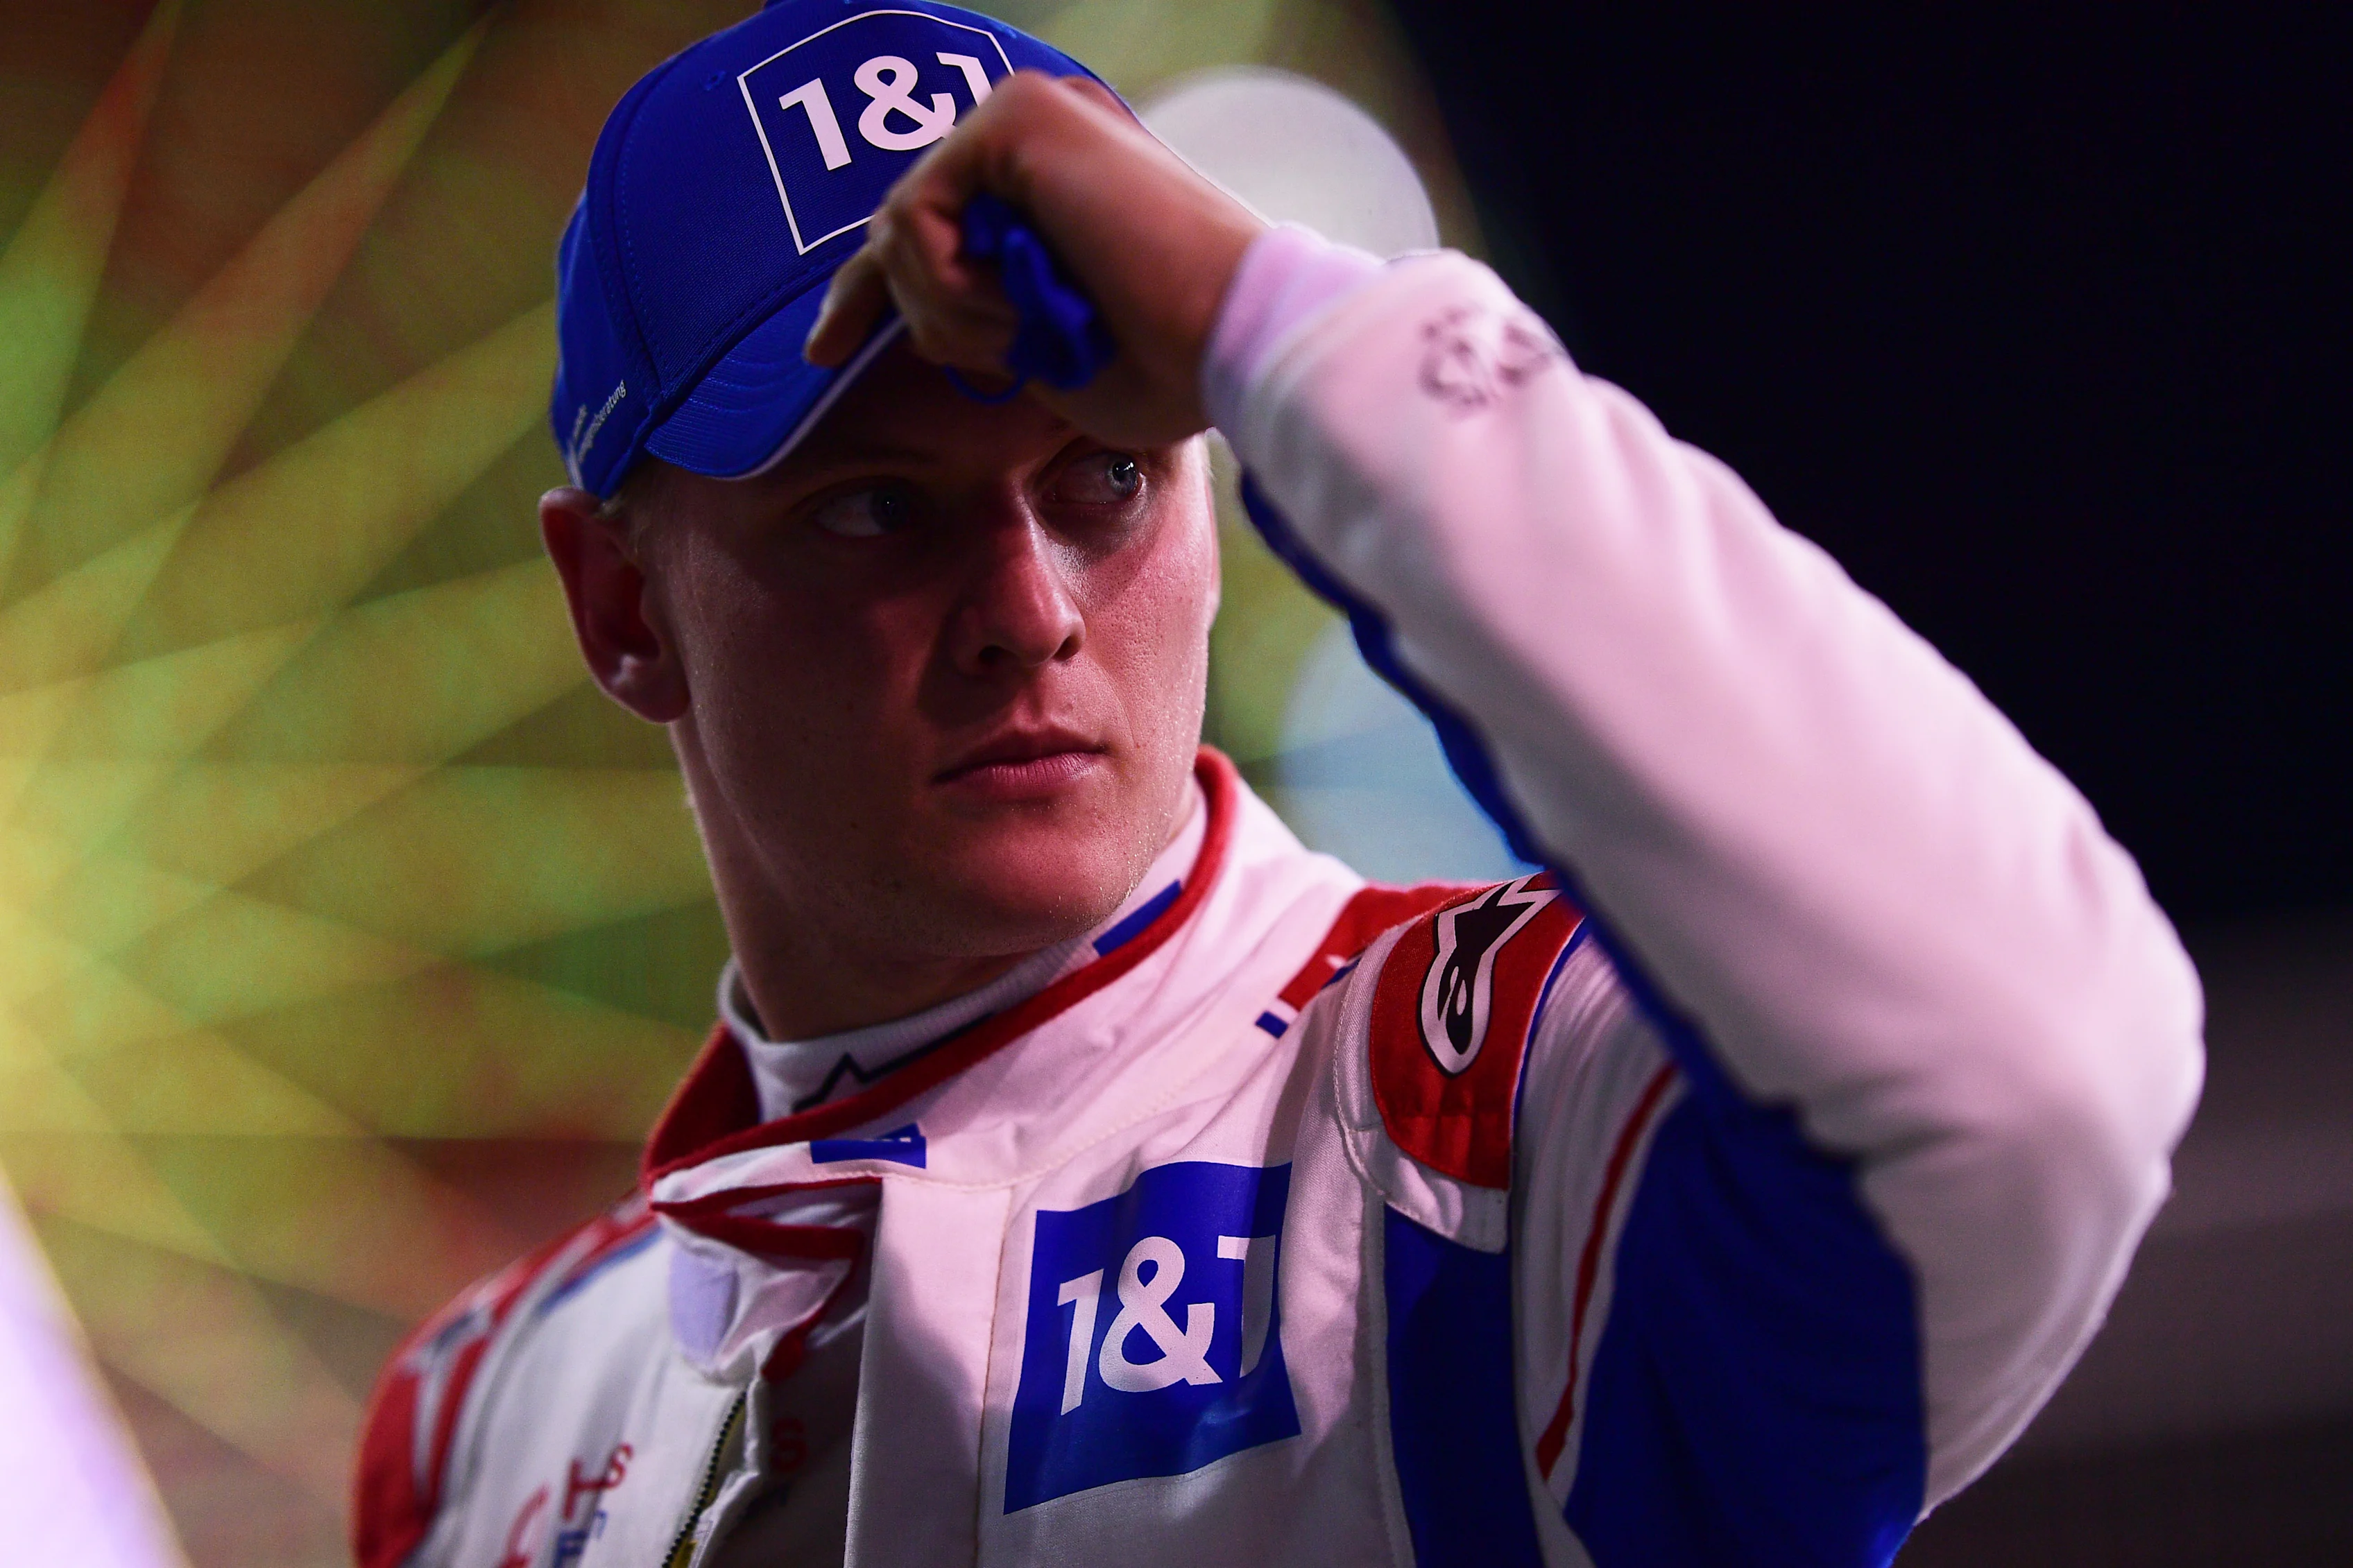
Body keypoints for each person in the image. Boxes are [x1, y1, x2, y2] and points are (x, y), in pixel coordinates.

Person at [354, 3, 2205, 1565]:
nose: (1027, 610)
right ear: (619, 607)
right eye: (875, 506)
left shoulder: (1460, 1109)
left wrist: (1280, 321)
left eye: (1106, 478)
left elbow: (2036, 1063)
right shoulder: (486, 1411)